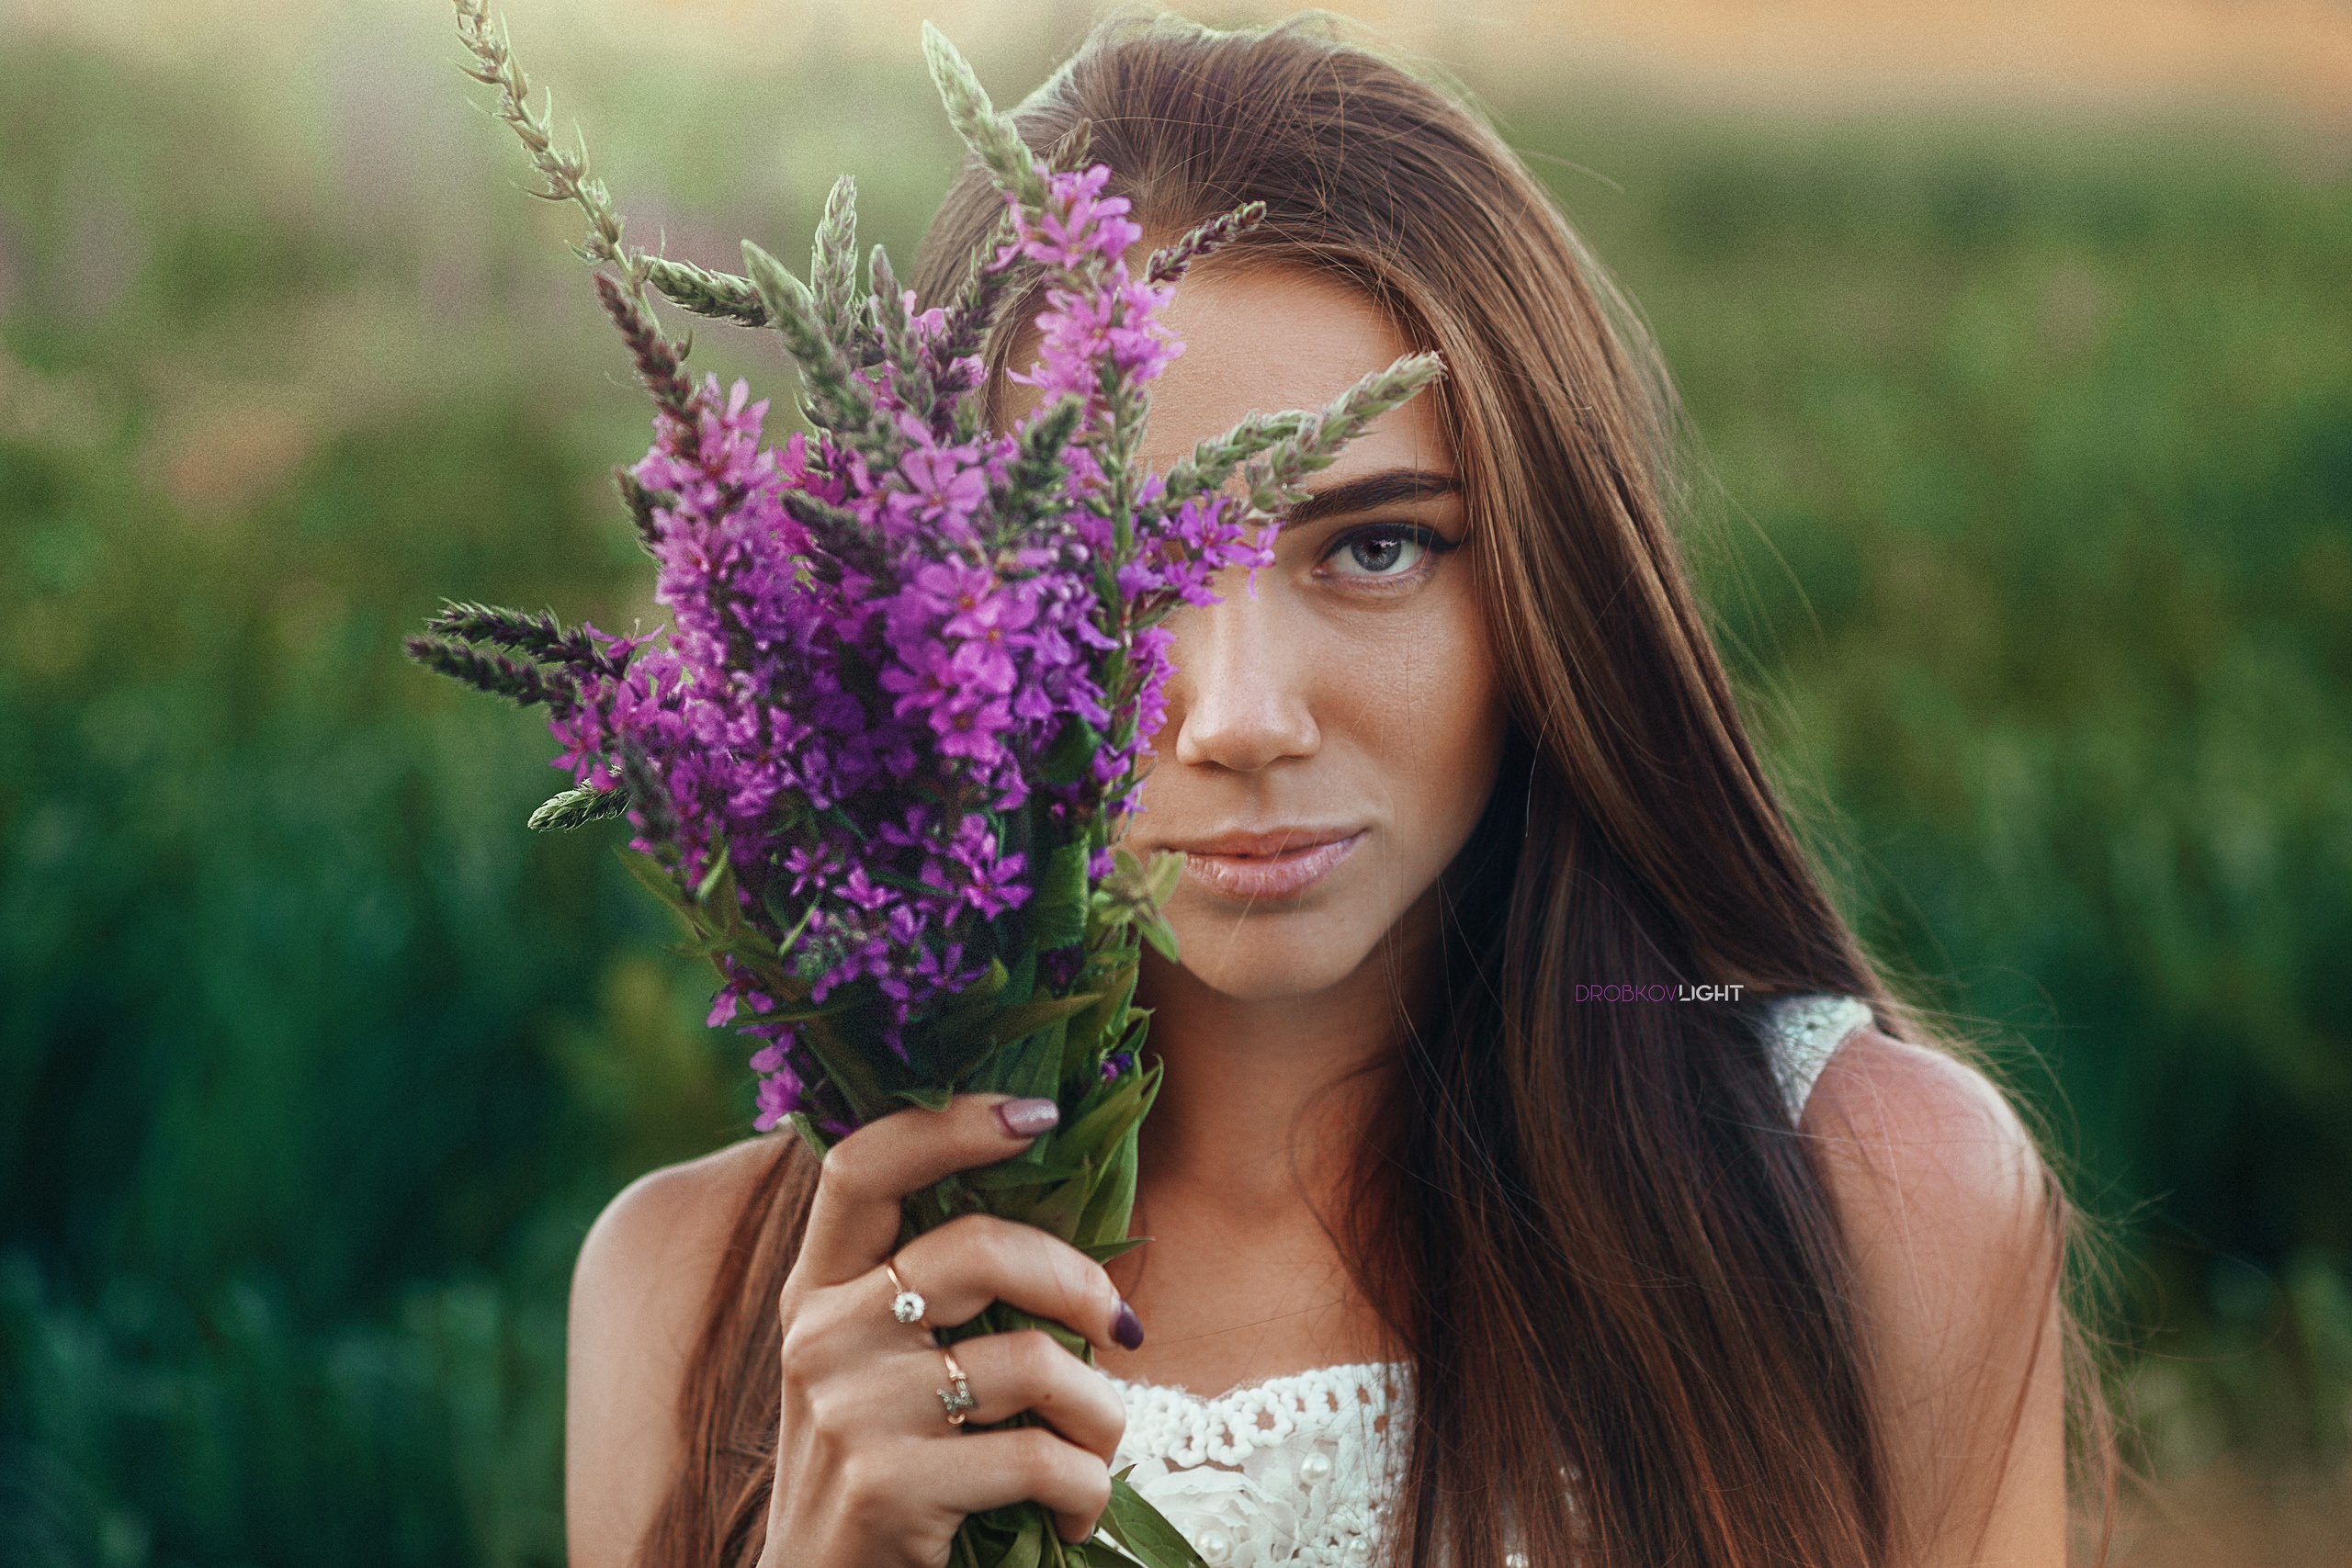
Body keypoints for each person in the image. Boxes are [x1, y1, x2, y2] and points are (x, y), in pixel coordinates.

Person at [564, 15, 2095, 1567]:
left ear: (1547, 581)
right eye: (1109, 577)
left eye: (1375, 547)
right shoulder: (688, 1300)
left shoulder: (1877, 1206)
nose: (1239, 717)